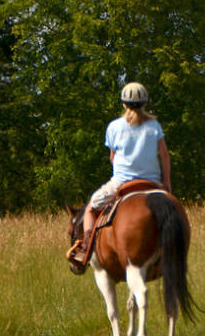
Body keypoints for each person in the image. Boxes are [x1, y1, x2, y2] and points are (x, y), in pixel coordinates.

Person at [66, 82, 173, 272]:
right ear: (144, 103)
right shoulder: (154, 125)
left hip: (122, 182)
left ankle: (85, 249)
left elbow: (112, 157)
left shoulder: (114, 126)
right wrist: (166, 183)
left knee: (91, 208)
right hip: (152, 183)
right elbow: (164, 155)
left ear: (124, 104)